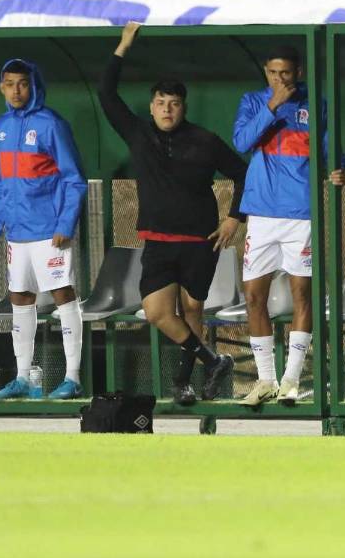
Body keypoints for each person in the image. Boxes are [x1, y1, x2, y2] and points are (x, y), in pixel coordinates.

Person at [99, 22, 246, 406]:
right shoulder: (137, 133)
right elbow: (106, 94)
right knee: (158, 312)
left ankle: (184, 382)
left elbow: (244, 172)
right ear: (151, 107)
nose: (167, 109)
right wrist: (123, 46)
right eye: (161, 103)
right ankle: (214, 361)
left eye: (174, 103)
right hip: (159, 242)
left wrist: (234, 217)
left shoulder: (205, 140)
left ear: (184, 107)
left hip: (200, 241)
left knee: (193, 309)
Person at [233, 47, 345, 408]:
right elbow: (240, 142)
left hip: (301, 212)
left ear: (298, 72)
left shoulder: (317, 104)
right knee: (253, 296)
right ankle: (265, 379)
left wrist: (338, 168)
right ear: (265, 72)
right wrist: (271, 106)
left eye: (285, 73)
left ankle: (291, 380)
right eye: (272, 73)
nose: (279, 80)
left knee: (302, 294)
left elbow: (331, 149)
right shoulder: (253, 101)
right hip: (262, 214)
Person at [0, 59, 88, 400]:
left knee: (62, 296)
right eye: (10, 83)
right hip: (17, 232)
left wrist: (65, 223)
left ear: (33, 85)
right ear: (1, 87)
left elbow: (74, 179)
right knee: (20, 298)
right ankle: (23, 377)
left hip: (49, 231)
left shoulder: (51, 124)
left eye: (23, 84)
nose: (17, 90)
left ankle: (73, 378)